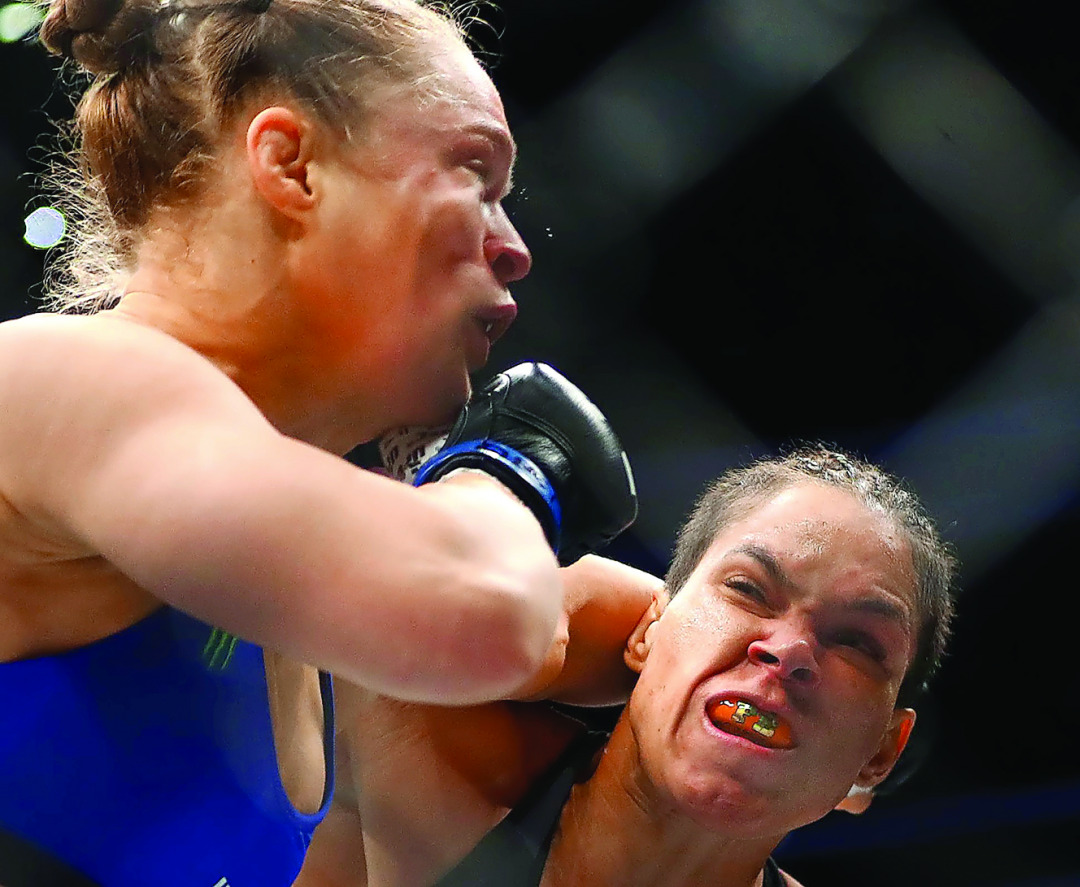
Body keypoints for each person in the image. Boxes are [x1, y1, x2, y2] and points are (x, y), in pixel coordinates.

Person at [0, 1, 638, 884]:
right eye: (475, 173)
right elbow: (484, 615)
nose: (515, 246)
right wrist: (513, 467)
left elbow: (550, 615)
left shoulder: (303, 610)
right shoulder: (62, 380)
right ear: (292, 165)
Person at [300, 444, 957, 886]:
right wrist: (539, 621)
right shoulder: (432, 761)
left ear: (878, 755)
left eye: (857, 642)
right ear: (645, 623)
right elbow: (338, 551)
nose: (789, 651)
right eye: (749, 589)